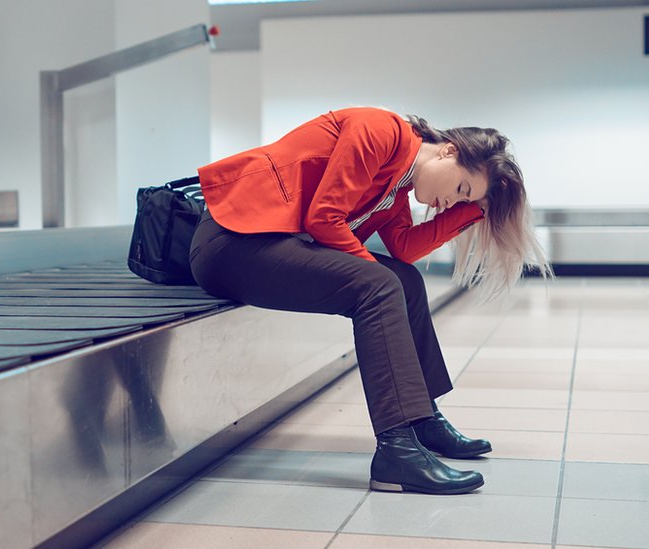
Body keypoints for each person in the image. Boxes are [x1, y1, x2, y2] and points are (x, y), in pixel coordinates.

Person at [188, 107, 550, 495]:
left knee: (404, 280)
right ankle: (397, 452)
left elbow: (406, 249)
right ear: (448, 151)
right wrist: (378, 276)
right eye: (461, 189)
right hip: (231, 242)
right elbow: (324, 218)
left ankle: (422, 421)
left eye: (464, 199)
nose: (451, 201)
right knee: (380, 284)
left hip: (271, 244)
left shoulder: (397, 187)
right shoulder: (379, 131)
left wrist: (472, 212)